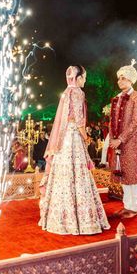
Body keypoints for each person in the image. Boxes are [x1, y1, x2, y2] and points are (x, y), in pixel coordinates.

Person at [39, 65, 110, 235]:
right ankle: (83, 221)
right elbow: (79, 120)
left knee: (63, 175)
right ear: (77, 78)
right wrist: (86, 138)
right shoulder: (78, 92)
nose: (84, 80)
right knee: (78, 175)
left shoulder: (65, 93)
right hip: (73, 138)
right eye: (84, 77)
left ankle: (59, 219)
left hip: (63, 140)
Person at [107, 60, 137, 219]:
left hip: (132, 141)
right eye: (119, 78)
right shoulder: (116, 99)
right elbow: (111, 120)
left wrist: (121, 139)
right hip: (118, 143)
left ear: (130, 79)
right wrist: (112, 138)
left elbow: (136, 122)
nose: (120, 81)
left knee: (133, 174)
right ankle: (126, 206)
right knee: (123, 173)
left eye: (123, 78)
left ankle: (134, 207)